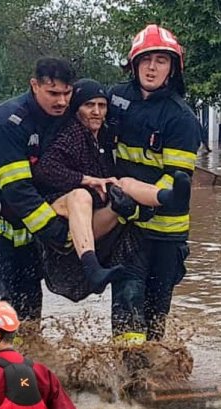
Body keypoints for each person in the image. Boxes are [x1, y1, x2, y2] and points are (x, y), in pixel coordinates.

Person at [33, 78, 191, 296]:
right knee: (81, 196)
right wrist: (85, 179)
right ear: (76, 108)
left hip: (93, 217)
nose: (97, 112)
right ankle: (92, 267)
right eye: (89, 105)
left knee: (124, 183)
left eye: (102, 105)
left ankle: (168, 197)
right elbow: (45, 169)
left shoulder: (105, 136)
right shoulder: (71, 134)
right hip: (63, 214)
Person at [0, 57, 74, 325]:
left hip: (23, 232)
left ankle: (28, 365)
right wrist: (58, 233)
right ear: (34, 85)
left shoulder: (57, 118)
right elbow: (19, 191)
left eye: (67, 93)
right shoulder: (7, 124)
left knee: (29, 318)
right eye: (53, 93)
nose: (61, 101)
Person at [108, 25, 203, 345]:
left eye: (161, 60)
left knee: (155, 315)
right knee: (126, 302)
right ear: (133, 65)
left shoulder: (182, 118)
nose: (152, 67)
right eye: (146, 59)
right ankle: (127, 383)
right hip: (126, 226)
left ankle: (152, 371)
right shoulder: (114, 99)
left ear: (173, 68)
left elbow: (177, 178)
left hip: (167, 234)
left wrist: (140, 202)